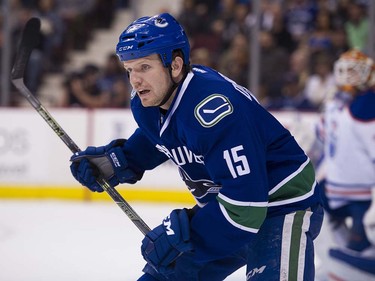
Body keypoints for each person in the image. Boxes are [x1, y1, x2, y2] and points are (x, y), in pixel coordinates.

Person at [69, 13, 323, 281]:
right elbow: (164, 137)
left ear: (175, 65)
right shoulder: (149, 103)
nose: (135, 80)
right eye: (129, 69)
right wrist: (120, 160)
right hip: (229, 211)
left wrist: (186, 233)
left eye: (144, 67)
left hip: (281, 206)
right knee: (163, 275)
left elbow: (246, 207)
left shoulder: (214, 111)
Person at [311, 49, 375, 280]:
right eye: (345, 71)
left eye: (354, 71)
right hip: (347, 186)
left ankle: (350, 261)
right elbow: (322, 139)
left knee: (359, 239)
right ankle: (346, 261)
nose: (348, 76)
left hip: (354, 188)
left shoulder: (356, 103)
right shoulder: (341, 103)